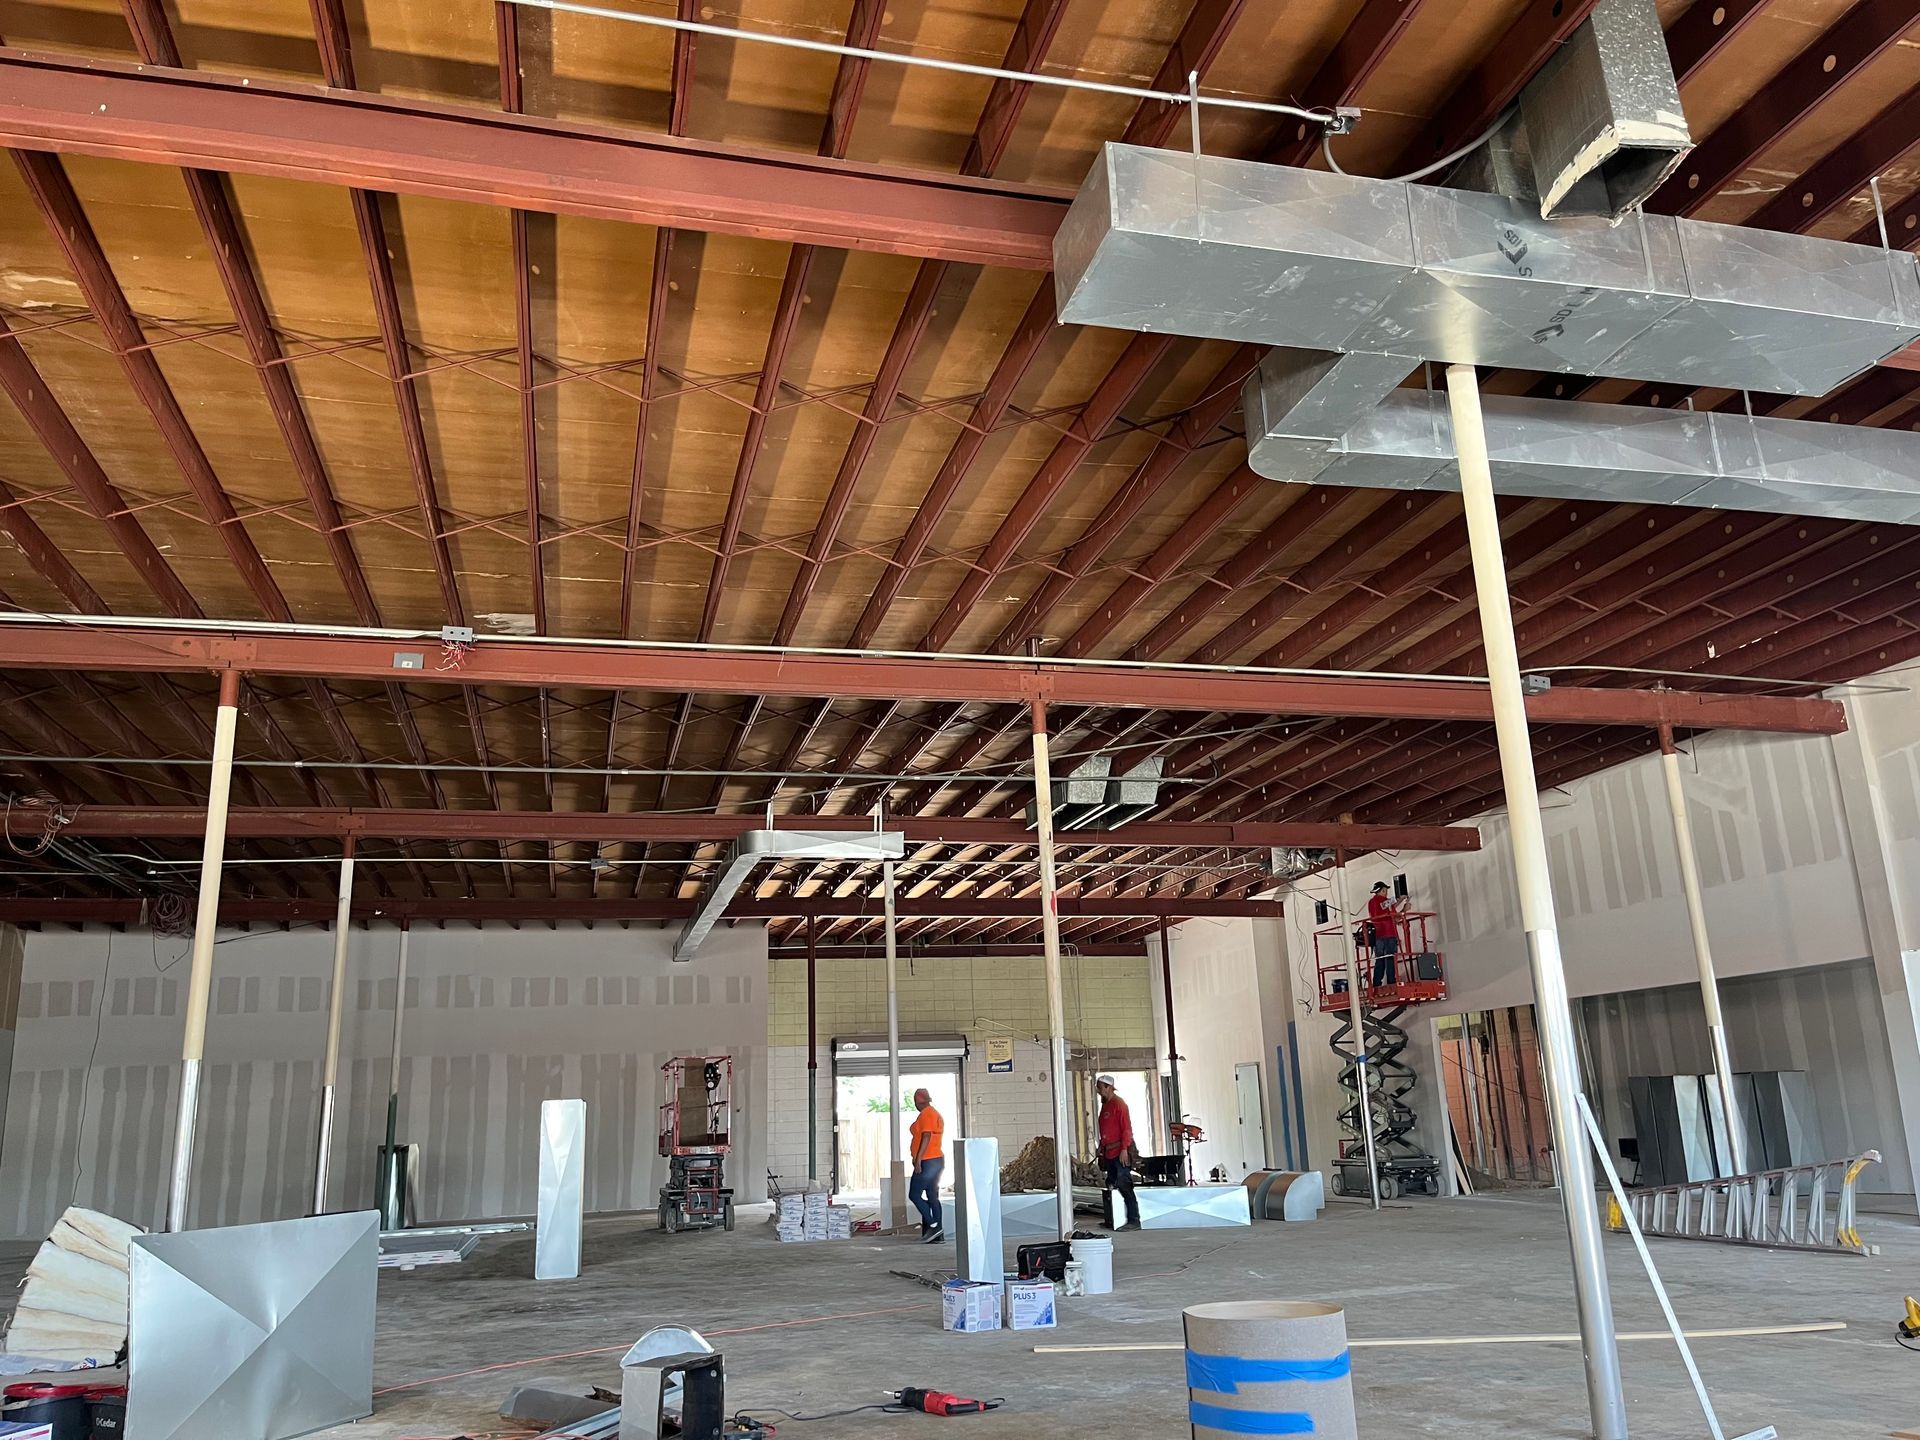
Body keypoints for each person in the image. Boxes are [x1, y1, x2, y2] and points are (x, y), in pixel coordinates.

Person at [1095, 1075, 1141, 1233]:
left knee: (1124, 1185)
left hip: (1119, 1151)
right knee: (1111, 1183)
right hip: (1109, 1152)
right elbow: (1106, 1130)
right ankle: (1113, 1218)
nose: (1098, 1091)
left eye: (1100, 1087)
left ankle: (1134, 1220)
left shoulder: (1119, 1104)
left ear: (1108, 1087)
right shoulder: (1105, 1106)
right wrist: (1101, 1146)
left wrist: (1124, 1149)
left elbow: (1126, 1128)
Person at [906, 1087, 945, 1243]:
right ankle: (938, 1235)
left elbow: (926, 1136)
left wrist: (918, 1160)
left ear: (917, 1101)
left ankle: (934, 1225)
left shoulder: (927, 1114)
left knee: (914, 1195)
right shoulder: (933, 1113)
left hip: (928, 1161)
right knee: (932, 1197)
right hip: (936, 1160)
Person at [1366, 880, 1406, 989]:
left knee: (1380, 960)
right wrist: (1404, 909)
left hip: (1378, 935)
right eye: (1385, 890)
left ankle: (1376, 983)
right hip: (1389, 933)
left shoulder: (1371, 902)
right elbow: (1395, 916)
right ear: (1383, 890)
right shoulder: (1385, 901)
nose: (1386, 892)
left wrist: (1399, 901)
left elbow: (1387, 909)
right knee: (1390, 959)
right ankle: (1391, 982)